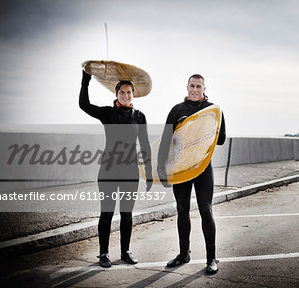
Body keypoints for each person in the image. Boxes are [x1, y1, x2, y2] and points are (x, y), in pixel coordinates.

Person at [79, 70, 153, 268]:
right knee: (107, 214)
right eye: (122, 92)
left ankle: (125, 252)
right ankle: (103, 254)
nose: (126, 95)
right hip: (109, 170)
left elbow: (145, 144)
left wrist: (149, 172)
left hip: (130, 171)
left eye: (129, 92)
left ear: (133, 94)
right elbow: (84, 105)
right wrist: (85, 81)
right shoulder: (107, 113)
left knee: (127, 214)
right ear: (116, 94)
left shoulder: (139, 116)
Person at [157, 74, 226, 275]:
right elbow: (165, 140)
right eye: (192, 86)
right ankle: (183, 254)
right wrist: (162, 167)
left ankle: (211, 258)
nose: (195, 89)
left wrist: (200, 126)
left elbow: (220, 139)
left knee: (206, 210)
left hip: (203, 167)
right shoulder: (177, 110)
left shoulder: (213, 110)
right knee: (182, 209)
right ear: (187, 87)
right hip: (181, 168)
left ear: (204, 88)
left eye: (199, 86)